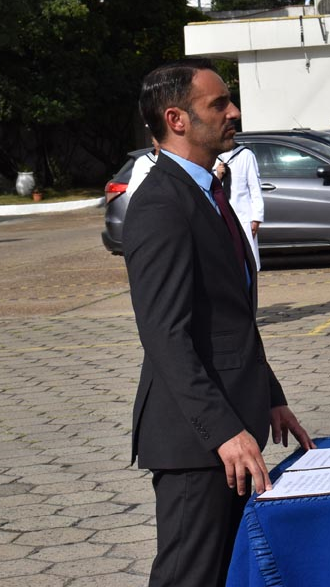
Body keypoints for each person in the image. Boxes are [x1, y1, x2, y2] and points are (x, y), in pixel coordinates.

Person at [124, 59, 312, 587]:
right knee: (191, 577)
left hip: (234, 423)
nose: (234, 112)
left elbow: (230, 318)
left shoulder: (209, 192)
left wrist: (269, 394)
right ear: (177, 119)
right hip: (198, 442)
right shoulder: (160, 203)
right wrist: (223, 430)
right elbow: (165, 333)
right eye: (218, 104)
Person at [214, 145, 266, 271]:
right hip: (218, 215)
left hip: (242, 215)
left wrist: (257, 217)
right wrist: (217, 175)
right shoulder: (211, 156)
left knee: (246, 261)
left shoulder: (245, 155)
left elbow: (254, 186)